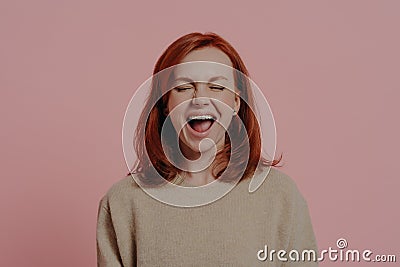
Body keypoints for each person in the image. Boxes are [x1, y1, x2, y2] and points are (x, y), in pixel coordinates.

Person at [96, 32, 318, 266]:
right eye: (183, 88)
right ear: (164, 104)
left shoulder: (280, 196)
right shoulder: (123, 202)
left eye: (216, 87)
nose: (200, 98)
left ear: (236, 102)